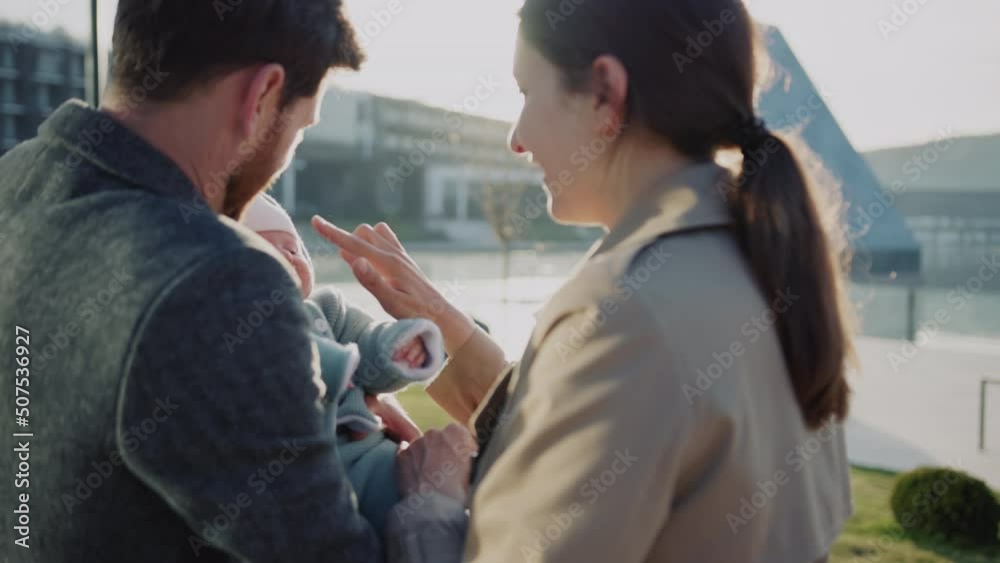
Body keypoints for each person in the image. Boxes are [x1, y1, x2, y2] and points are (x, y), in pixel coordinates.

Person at [314, 0, 855, 561]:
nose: (516, 139)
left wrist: (429, 503)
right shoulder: (756, 258)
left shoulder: (626, 310)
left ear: (604, 91)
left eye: (526, 93)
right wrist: (449, 327)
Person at [0, 1, 462, 561]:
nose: (287, 155)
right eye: (301, 127)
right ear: (262, 95)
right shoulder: (215, 277)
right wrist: (433, 496)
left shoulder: (17, 182)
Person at [241, 193, 445, 534]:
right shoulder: (238, 328)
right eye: (270, 248)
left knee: (420, 486)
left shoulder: (327, 308)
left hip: (369, 450)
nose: (290, 255)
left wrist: (400, 347)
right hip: (310, 467)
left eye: (294, 247)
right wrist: (341, 370)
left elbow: (367, 343)